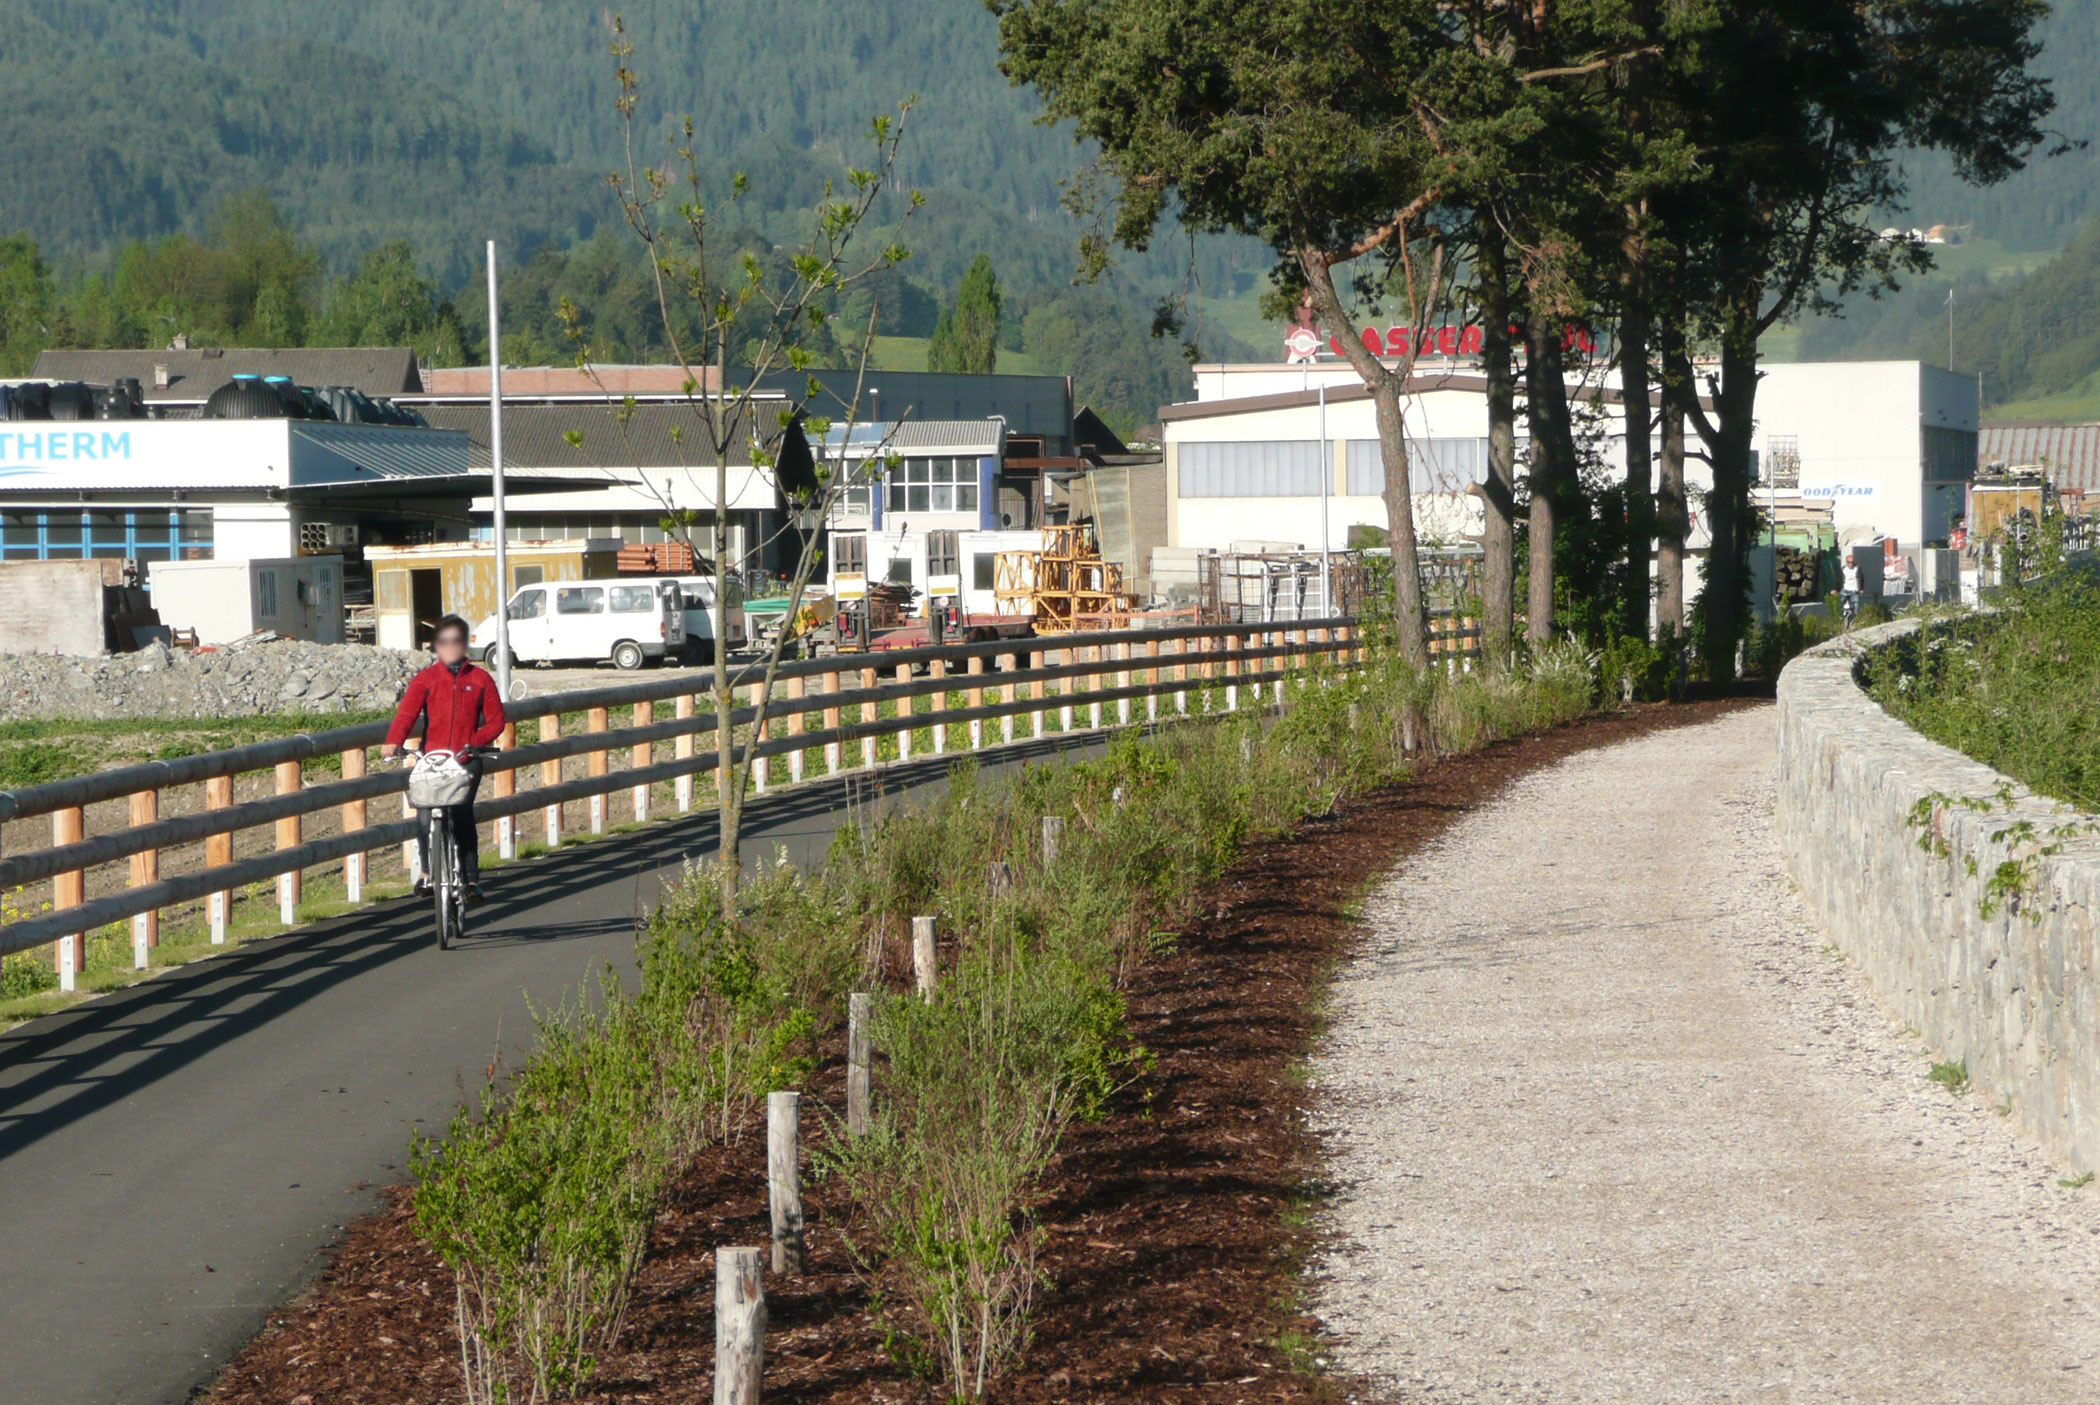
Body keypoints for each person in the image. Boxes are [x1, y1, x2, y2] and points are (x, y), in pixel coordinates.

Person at [382, 614, 506, 898]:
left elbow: (496, 722)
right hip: (433, 759)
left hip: (466, 759)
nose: (450, 646)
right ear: (436, 645)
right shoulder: (425, 679)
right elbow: (406, 715)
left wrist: (473, 743)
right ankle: (427, 873)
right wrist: (393, 742)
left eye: (456, 640)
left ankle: (471, 878)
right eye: (444, 641)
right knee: (425, 815)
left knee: (461, 813)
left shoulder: (481, 679)